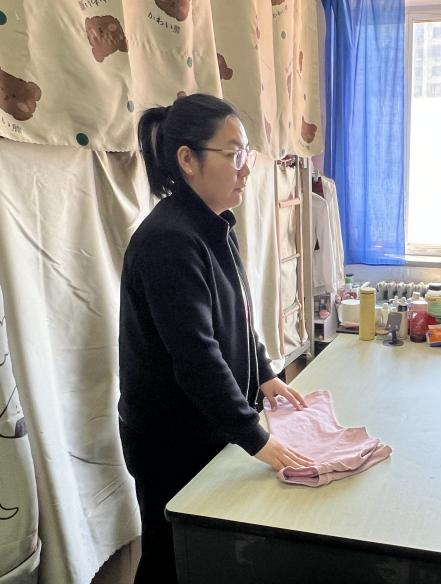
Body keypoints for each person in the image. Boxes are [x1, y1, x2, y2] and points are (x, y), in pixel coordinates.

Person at [118, 94, 312, 583]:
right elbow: (196, 356)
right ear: (188, 159)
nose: (245, 168)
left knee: (207, 552)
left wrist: (264, 372)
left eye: (246, 153)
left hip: (205, 425)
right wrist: (256, 436)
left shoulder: (213, 224)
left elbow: (238, 317)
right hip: (170, 438)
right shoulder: (169, 241)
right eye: (234, 154)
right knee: (170, 556)